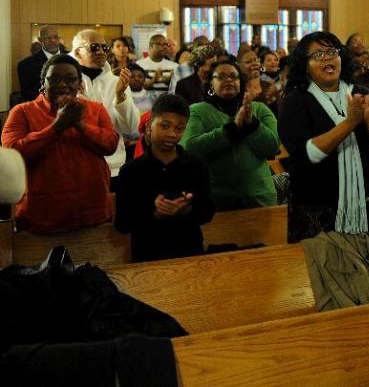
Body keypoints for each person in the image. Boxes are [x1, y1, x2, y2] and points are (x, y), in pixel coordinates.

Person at [277, 32, 369, 241]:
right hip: (317, 207)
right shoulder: (295, 101)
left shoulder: (360, 92)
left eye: (332, 52)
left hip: (367, 203)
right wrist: (350, 124)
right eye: (318, 55)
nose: (327, 58)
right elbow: (307, 154)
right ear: (305, 65)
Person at [2, 54, 117, 233]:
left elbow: (110, 144)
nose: (62, 85)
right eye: (54, 79)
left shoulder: (96, 109)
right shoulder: (22, 112)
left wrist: (80, 125)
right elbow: (13, 154)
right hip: (43, 217)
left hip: (92, 212)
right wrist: (57, 127)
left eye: (70, 79)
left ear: (80, 84)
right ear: (43, 83)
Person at [114, 94, 216, 262]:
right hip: (147, 253)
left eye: (179, 128)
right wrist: (155, 213)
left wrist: (187, 209)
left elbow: (207, 213)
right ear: (149, 127)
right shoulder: (131, 171)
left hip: (189, 251)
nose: (172, 134)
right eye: (165, 126)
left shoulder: (196, 166)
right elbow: (122, 225)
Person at [181, 58, 280, 210]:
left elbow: (272, 146)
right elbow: (189, 149)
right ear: (211, 85)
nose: (228, 80)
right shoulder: (197, 111)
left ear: (241, 83)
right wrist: (232, 129)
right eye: (221, 77)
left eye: (234, 76)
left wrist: (251, 124)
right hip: (217, 200)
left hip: (259, 197)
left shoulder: (259, 109)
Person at [73, 29, 140, 177]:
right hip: (77, 165)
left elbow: (131, 128)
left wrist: (120, 96)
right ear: (78, 53)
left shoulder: (117, 82)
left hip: (113, 167)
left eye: (105, 47)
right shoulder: (68, 83)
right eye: (94, 47)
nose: (101, 52)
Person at [16, 25, 61, 102]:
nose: (53, 40)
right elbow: (28, 94)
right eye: (48, 37)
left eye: (56, 37)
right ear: (40, 40)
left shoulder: (74, 58)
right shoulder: (26, 65)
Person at [137, 34, 179, 102]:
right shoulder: (139, 65)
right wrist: (153, 80)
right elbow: (135, 88)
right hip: (143, 105)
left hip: (168, 105)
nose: (165, 47)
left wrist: (170, 82)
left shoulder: (175, 66)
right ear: (151, 46)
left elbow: (179, 90)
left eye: (166, 44)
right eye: (161, 44)